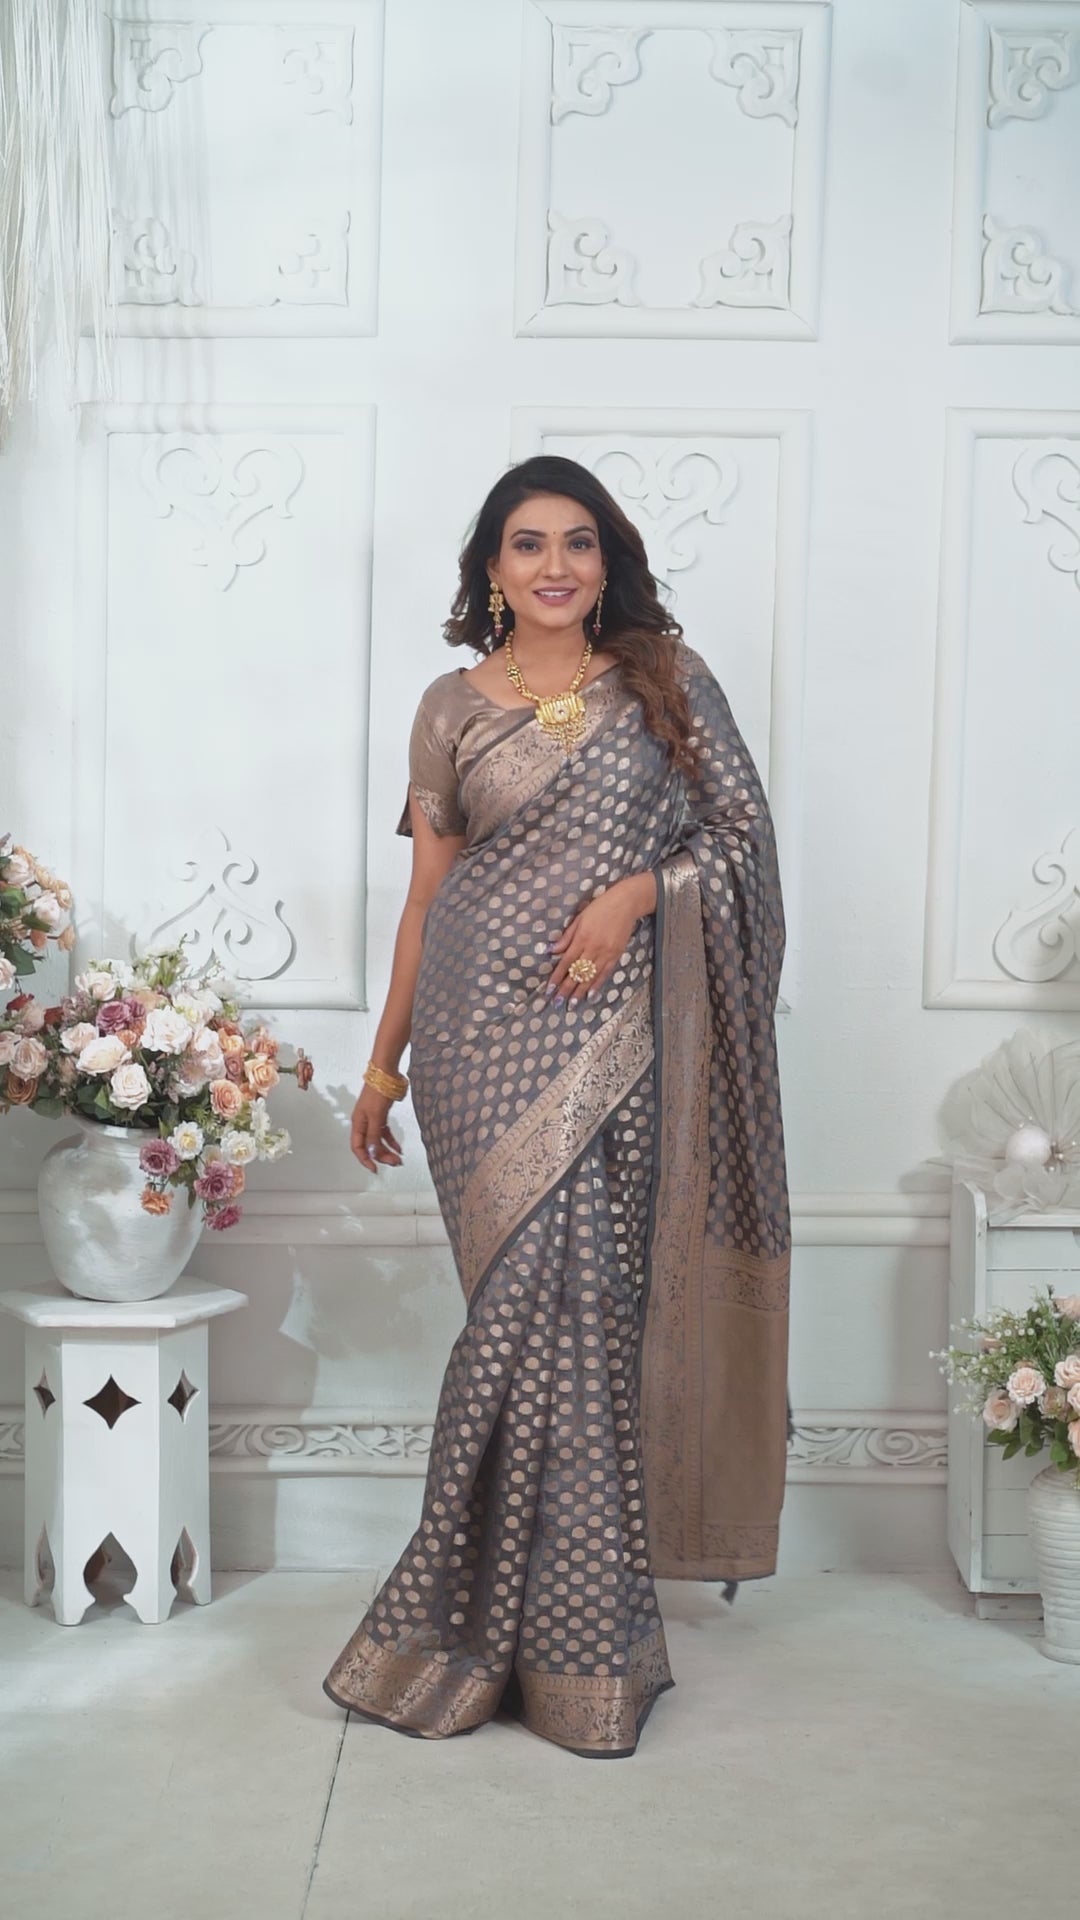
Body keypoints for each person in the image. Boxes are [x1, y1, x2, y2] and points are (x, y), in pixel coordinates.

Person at [323, 455, 791, 1758]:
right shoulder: (447, 710)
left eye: (578, 543)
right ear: (490, 569)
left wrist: (640, 892)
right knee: (527, 1315)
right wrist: (382, 1063)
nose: (554, 567)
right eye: (527, 545)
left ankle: (571, 1640)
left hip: (621, 1043)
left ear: (607, 562)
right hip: (481, 1043)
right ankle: (503, 1632)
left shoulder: (666, 684)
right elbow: (429, 897)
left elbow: (740, 839)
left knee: (582, 1316)